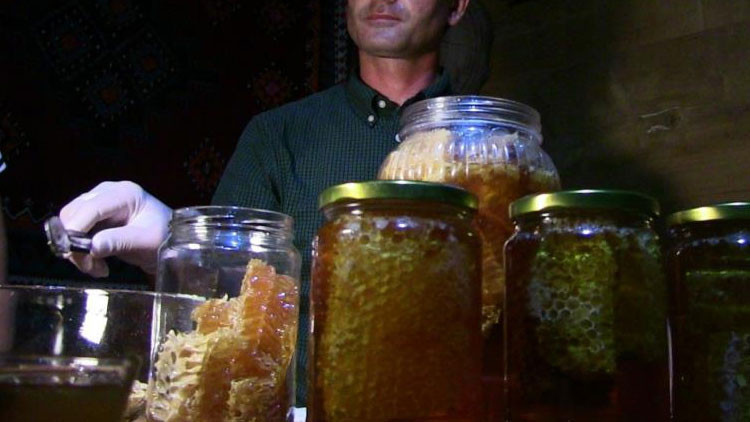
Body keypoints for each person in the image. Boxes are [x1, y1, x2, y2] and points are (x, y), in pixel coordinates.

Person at [58, 0, 472, 403]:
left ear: (456, 7)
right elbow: (225, 304)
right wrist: (174, 249)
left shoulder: (491, 147)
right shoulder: (277, 136)